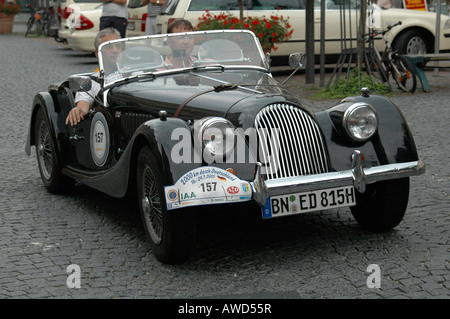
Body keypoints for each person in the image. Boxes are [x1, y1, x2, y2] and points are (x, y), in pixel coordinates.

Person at [66, 28, 121, 126]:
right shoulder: (89, 82)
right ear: (97, 53)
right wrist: (78, 110)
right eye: (108, 47)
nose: (114, 50)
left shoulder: (134, 74)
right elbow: (83, 106)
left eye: (117, 46)